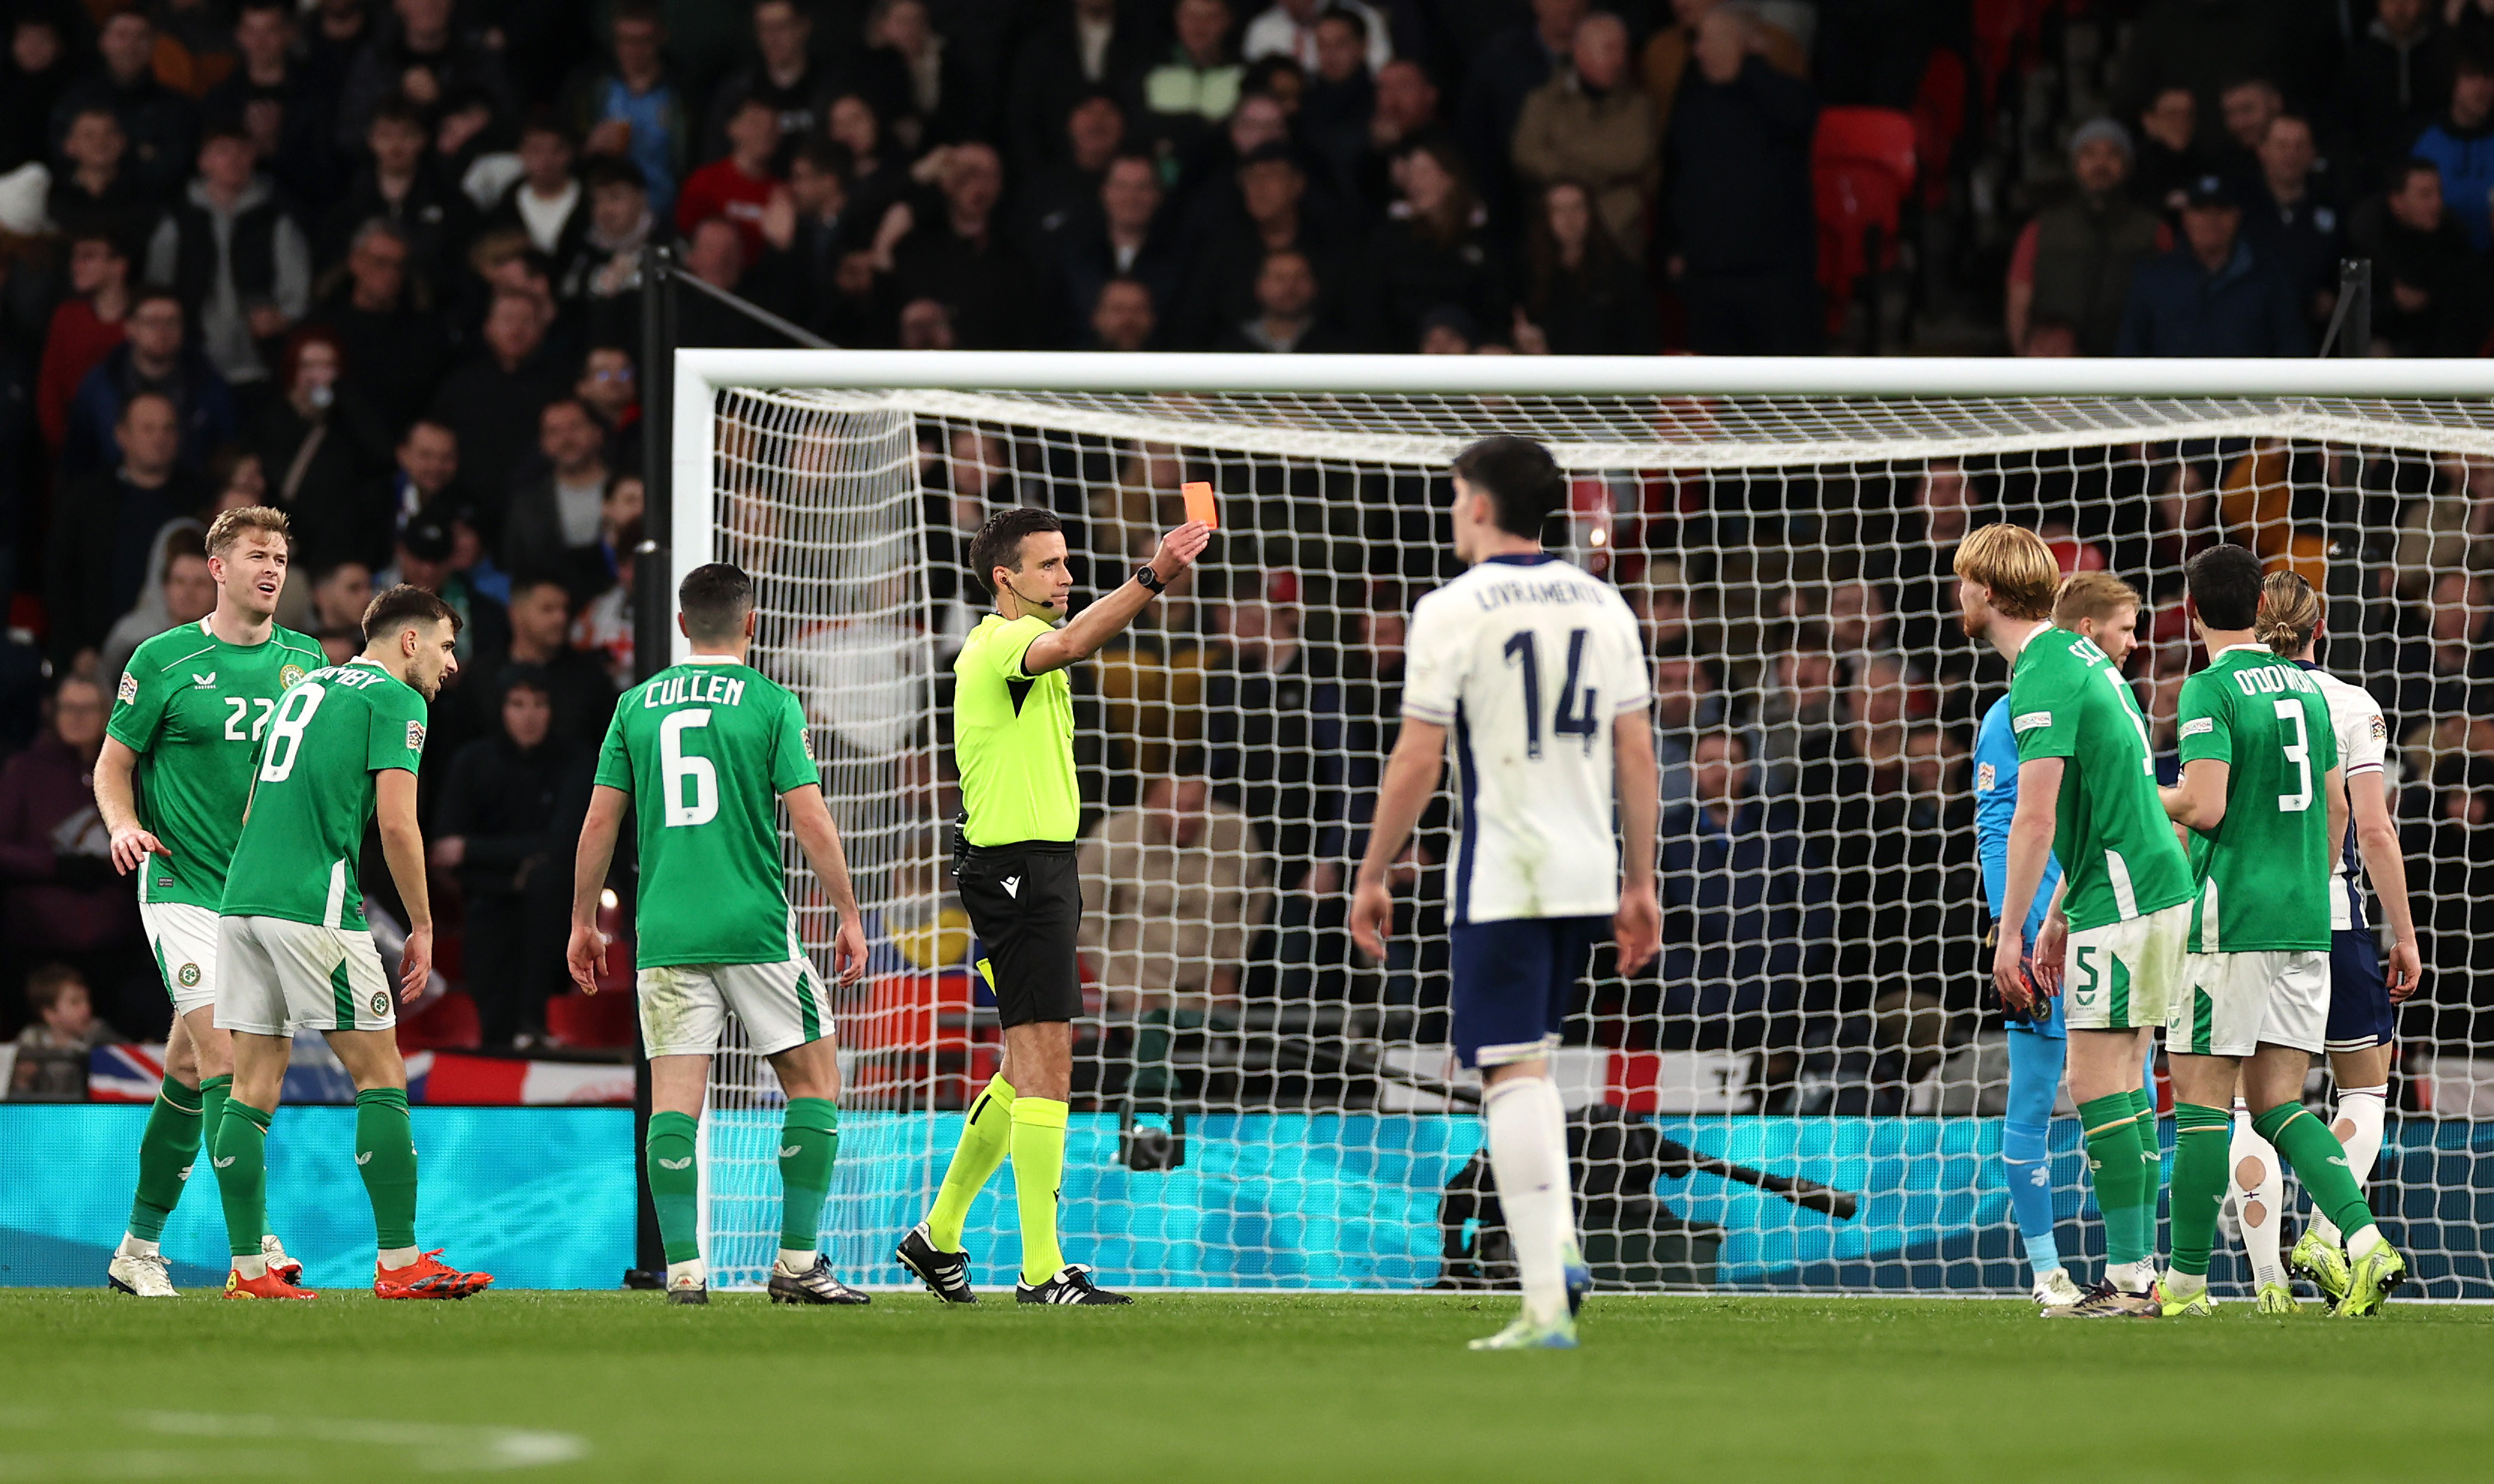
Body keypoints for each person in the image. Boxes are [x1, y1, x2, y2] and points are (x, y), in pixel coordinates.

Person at [1348, 435, 1659, 1350]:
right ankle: (1552, 1253)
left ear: (1478, 505)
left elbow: (1416, 755)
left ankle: (1544, 1289)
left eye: (1454, 498)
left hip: (1504, 870)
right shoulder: (1603, 602)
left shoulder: (1452, 606)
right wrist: (1637, 882)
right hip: (1583, 868)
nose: (1452, 513)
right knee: (1532, 1060)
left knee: (1508, 1069)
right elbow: (1635, 752)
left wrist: (1372, 870)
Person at [895, 505, 1211, 1306]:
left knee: (1025, 1066)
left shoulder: (1012, 649)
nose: (1066, 578)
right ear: (1004, 578)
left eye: (1068, 564)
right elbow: (1071, 641)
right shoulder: (1003, 642)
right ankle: (1041, 1270)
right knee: (1049, 1069)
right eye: (1050, 566)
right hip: (1015, 872)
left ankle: (938, 1235)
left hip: (1034, 869)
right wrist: (1154, 573)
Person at [565, 563, 871, 1305]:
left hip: (666, 928)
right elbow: (808, 816)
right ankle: (796, 1264)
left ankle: (684, 1273)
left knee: (674, 1102)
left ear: (679, 625)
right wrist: (849, 912)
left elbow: (600, 819)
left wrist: (580, 920)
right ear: (750, 622)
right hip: (754, 926)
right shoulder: (769, 701)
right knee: (813, 1081)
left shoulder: (635, 704)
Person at [203, 583, 487, 1300]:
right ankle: (399, 1263)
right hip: (312, 907)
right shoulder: (397, 699)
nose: (452, 665)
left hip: (241, 903)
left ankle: (247, 1270)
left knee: (252, 1086)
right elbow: (397, 823)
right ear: (410, 640)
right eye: (447, 646)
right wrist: (422, 926)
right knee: (381, 1073)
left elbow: (251, 801)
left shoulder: (309, 685)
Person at [2152, 546, 2409, 1318]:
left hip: (2230, 922)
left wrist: (2134, 789)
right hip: (2309, 919)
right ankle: (2364, 1243)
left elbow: (2201, 804)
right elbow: (2338, 806)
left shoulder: (2207, 688)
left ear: (2190, 609)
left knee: (2202, 1106)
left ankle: (2186, 1284)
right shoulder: (2304, 692)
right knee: (2276, 1104)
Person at [93, 506, 321, 1299]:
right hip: (182, 885)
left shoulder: (306, 661)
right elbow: (113, 763)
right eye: (257, 554)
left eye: (282, 557)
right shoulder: (163, 659)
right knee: (227, 1057)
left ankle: (136, 1249)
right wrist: (123, 825)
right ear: (216, 567)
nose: (272, 567)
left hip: (262, 895)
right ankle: (251, 1254)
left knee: (189, 1070)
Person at [1967, 521, 2191, 1319]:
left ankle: (2130, 1279)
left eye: (1963, 582)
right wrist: (2058, 913)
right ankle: (2135, 1273)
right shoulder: (2080, 659)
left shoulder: (2036, 674)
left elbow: (2032, 821)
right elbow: (2089, 810)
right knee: (2124, 1080)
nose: (1958, 595)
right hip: (2144, 885)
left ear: (1985, 593)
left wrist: (2010, 934)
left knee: (2094, 1083)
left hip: (2125, 897)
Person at [1973, 570, 2141, 1310]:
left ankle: (2130, 1271)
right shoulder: (2009, 715)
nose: (2131, 645)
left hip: (2099, 917)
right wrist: (2013, 926)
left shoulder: (2076, 691)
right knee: (2037, 1095)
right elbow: (2004, 830)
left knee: (2125, 1090)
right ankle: (2049, 1275)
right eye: (2124, 627)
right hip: (2056, 930)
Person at [1077, 775, 1272, 1095]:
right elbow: (1086, 918)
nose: (1184, 817)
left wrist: (1228, 965)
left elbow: (1256, 899)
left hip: (1208, 989)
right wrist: (1122, 988)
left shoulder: (1235, 832)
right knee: (1141, 1088)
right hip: (1138, 989)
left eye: (1193, 807)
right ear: (1153, 802)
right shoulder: (1113, 837)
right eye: (1173, 807)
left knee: (1219, 1087)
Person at [435, 667, 587, 1050]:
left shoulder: (575, 762)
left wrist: (474, 850)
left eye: (539, 703)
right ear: (501, 709)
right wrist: (512, 871)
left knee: (547, 883)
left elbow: (565, 843)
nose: (530, 715)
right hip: (486, 898)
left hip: (553, 903)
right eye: (518, 704)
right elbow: (443, 852)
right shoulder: (472, 762)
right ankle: (500, 1047)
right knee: (493, 925)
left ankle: (533, 1024)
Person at [2004, 118, 2167, 356]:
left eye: (2112, 154)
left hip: (2131, 369)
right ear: (2075, 164)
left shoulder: (2154, 230)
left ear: (2128, 165)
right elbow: (2019, 299)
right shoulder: (2041, 229)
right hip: (2058, 370)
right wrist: (2027, 358)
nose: (2100, 164)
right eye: (2089, 154)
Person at [2115, 175, 2309, 357]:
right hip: (2171, 392)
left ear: (2236, 216)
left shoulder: (2268, 279)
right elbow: (2129, 354)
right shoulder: (2154, 278)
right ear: (2186, 217)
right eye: (2202, 211)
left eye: (2221, 211)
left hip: (2246, 392)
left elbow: (2292, 353)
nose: (2211, 220)